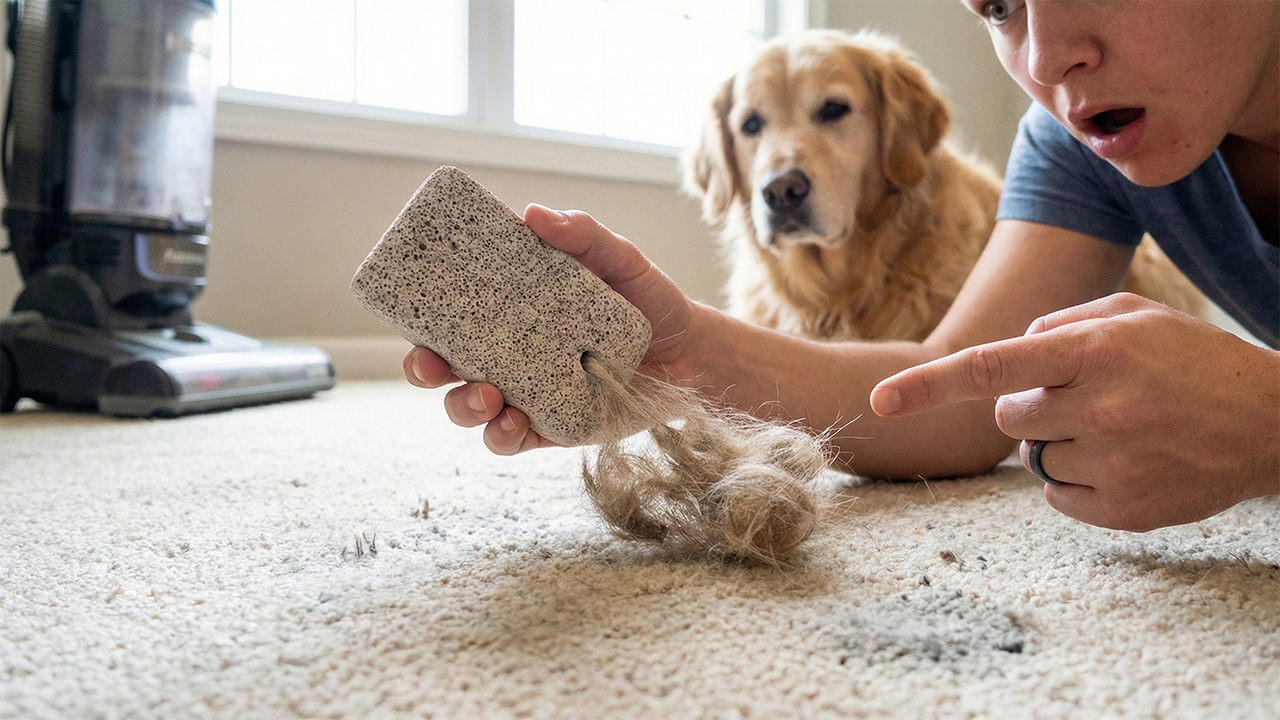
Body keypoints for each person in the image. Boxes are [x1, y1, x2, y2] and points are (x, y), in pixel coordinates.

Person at [404, 0, 1280, 533]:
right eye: (1002, 5)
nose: (1046, 60)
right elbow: (961, 403)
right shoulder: (1074, 140)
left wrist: (1262, 421)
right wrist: (681, 359)